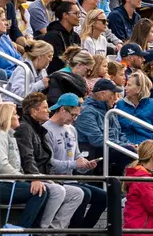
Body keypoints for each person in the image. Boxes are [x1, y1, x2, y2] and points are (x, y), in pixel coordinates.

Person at [13, 91, 86, 233]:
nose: (49, 110)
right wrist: (35, 178)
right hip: (33, 177)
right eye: (45, 107)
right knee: (58, 191)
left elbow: (46, 160)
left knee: (77, 193)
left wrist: (52, 179)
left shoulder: (39, 129)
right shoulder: (25, 128)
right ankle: (42, 231)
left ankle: (54, 232)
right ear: (34, 111)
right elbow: (27, 157)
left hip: (45, 176)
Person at [0, 103, 49, 231]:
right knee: (39, 192)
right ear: (7, 118)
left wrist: (33, 178)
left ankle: (28, 231)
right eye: (15, 114)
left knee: (41, 188)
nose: (18, 117)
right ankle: (20, 232)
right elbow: (2, 165)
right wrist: (26, 179)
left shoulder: (9, 136)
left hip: (0, 183)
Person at [42, 92, 105, 228]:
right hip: (55, 180)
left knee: (104, 196)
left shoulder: (72, 129)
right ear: (62, 109)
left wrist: (85, 165)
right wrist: (75, 164)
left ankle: (82, 232)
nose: (74, 119)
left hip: (71, 179)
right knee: (84, 194)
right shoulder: (46, 130)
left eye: (77, 115)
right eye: (73, 115)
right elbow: (49, 163)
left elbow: (76, 156)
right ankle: (73, 233)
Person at [43, 0, 81, 72]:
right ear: (65, 15)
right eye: (76, 13)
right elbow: (55, 64)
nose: (79, 16)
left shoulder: (76, 36)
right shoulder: (52, 36)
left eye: (79, 13)